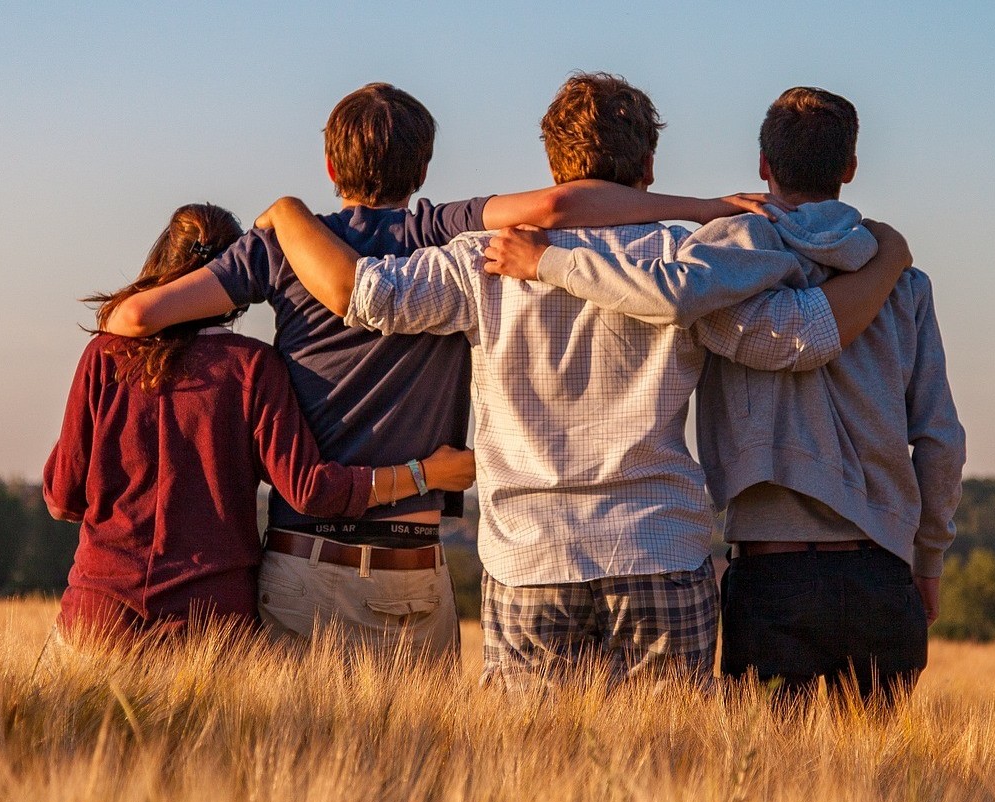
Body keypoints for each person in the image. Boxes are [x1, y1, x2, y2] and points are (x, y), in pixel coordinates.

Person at [258, 73, 914, 689]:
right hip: (658, 546)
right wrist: (888, 259)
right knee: (668, 772)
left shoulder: (481, 261)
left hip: (529, 557)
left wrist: (288, 214)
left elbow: (363, 295)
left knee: (532, 776)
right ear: (648, 169)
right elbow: (799, 337)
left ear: (552, 166)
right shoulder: (687, 262)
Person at [97, 83, 772, 661]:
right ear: (423, 169)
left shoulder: (280, 248)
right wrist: (702, 208)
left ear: (329, 165)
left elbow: (131, 321)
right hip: (413, 566)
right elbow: (561, 208)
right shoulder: (440, 231)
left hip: (305, 558)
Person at [484, 87, 966, 705]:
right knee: (877, 789)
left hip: (771, 573)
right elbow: (940, 440)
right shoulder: (903, 282)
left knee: (765, 784)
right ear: (849, 169)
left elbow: (668, 294)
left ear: (763, 165)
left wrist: (549, 262)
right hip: (882, 570)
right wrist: (928, 560)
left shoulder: (722, 261)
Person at [42, 203, 475, 648]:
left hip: (99, 615)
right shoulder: (252, 368)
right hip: (210, 626)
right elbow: (311, 490)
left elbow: (63, 497)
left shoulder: (105, 356)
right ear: (235, 281)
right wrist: (426, 474)